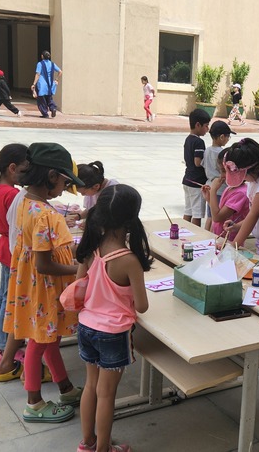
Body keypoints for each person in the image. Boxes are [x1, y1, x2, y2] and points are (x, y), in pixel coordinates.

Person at [1, 142, 84, 423]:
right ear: (51, 176)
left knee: (49, 340)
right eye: (64, 182)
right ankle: (34, 403)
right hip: (44, 288)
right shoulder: (44, 214)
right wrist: (79, 268)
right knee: (39, 342)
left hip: (32, 286)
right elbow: (44, 264)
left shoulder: (25, 201)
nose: (64, 189)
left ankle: (66, 388)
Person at [74, 184, 153, 452]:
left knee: (91, 386)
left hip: (86, 326)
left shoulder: (90, 248)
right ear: (131, 219)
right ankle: (104, 449)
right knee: (107, 394)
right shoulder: (129, 260)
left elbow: (79, 286)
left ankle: (87, 443)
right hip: (113, 333)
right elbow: (142, 306)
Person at [0, 143, 28, 360]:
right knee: (9, 297)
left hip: (5, 245)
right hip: (12, 247)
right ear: (12, 168)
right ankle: (5, 345)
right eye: (24, 170)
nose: (26, 176)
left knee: (2, 294)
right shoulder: (12, 194)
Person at [203, 151, 250, 242]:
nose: (221, 175)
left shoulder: (240, 193)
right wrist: (209, 199)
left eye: (224, 171)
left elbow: (217, 217)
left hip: (229, 240)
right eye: (221, 171)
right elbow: (218, 213)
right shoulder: (230, 188)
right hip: (219, 238)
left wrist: (213, 191)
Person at [202, 121, 236, 230]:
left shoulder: (207, 150)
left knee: (210, 216)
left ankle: (206, 235)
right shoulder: (222, 154)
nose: (228, 139)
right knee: (217, 217)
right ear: (221, 137)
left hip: (210, 186)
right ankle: (213, 235)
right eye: (228, 137)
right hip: (221, 189)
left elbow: (203, 165)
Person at [182, 108, 211, 227]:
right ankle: (195, 234)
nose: (207, 129)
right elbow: (197, 162)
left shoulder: (188, 139)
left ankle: (183, 231)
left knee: (188, 211)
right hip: (197, 182)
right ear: (198, 125)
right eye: (206, 125)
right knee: (197, 214)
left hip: (187, 179)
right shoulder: (199, 142)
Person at [33, 50, 62, 118]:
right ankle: (53, 108)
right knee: (49, 98)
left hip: (41, 85)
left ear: (42, 56)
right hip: (50, 84)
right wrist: (56, 79)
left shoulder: (40, 64)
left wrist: (34, 83)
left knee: (41, 100)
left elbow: (38, 74)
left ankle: (45, 114)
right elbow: (60, 71)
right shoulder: (52, 64)